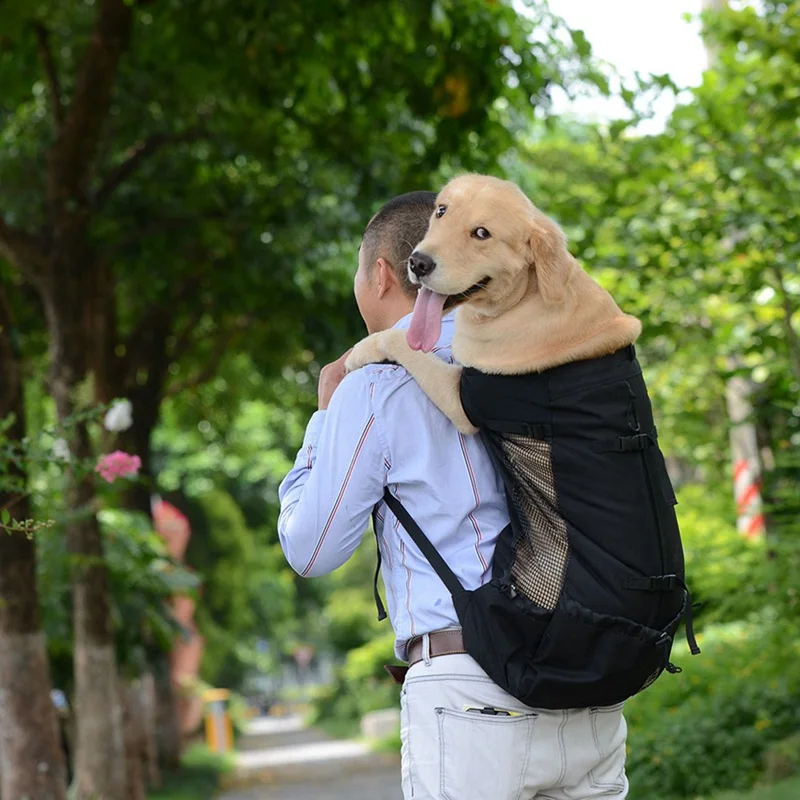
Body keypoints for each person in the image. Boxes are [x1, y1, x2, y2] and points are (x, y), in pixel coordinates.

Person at [278, 191, 629, 799]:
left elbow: (311, 551)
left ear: (383, 273)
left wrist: (323, 421)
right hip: (589, 684)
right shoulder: (544, 358)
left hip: (471, 694)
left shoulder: (375, 387)